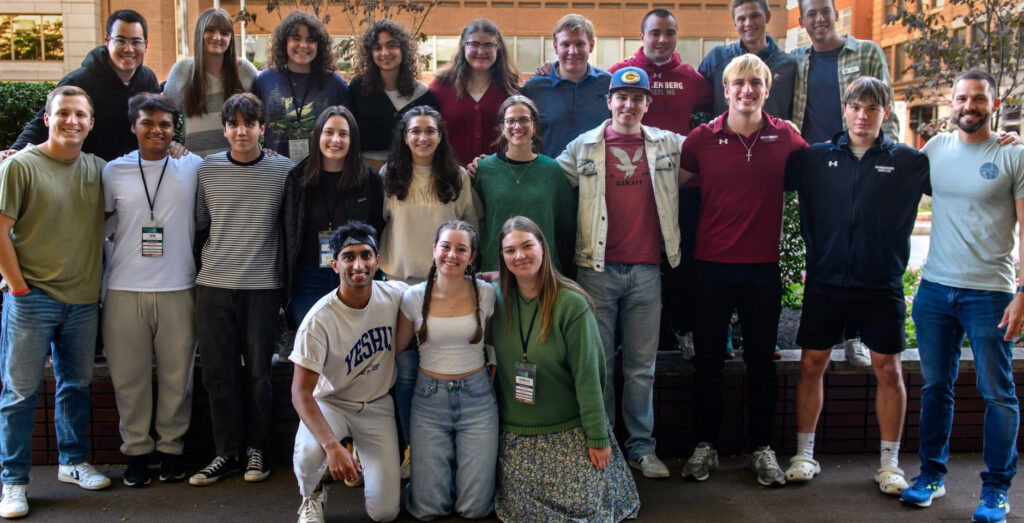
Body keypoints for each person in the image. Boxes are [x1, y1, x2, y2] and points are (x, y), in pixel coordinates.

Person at [782, 77, 929, 495]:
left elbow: (962, 174)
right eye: (856, 107)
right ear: (844, 110)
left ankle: (889, 464)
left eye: (872, 108)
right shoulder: (812, 159)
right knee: (811, 365)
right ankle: (804, 454)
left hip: (880, 285)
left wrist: (1004, 142)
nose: (863, 116)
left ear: (885, 113)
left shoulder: (909, 161)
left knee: (888, 369)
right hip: (826, 283)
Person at [900, 71, 1024, 523]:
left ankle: (996, 491)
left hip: (990, 293)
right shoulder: (934, 151)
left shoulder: (1014, 155)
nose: (968, 105)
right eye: (961, 98)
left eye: (978, 99)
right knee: (936, 387)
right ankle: (930, 476)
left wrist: (1023, 293)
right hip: (935, 290)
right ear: (950, 103)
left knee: (997, 392)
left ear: (993, 104)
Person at [677, 54, 807, 486]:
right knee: (708, 364)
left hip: (762, 270)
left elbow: (826, 171)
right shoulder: (699, 140)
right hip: (710, 267)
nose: (746, 90)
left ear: (767, 90)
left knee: (761, 366)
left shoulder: (786, 137)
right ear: (726, 89)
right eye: (739, 83)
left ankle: (763, 448)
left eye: (755, 83)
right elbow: (670, 188)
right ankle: (706, 445)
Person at [556, 66, 686, 479]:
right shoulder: (583, 147)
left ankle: (641, 448)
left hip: (647, 270)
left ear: (648, 103)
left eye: (637, 99)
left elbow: (716, 142)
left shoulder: (668, 145)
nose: (629, 105)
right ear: (609, 101)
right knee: (598, 366)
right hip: (596, 270)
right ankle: (604, 444)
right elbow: (543, 175)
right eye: (621, 98)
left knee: (640, 367)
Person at [0, 85, 111, 519]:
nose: (72, 121)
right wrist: (18, 287)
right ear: (47, 119)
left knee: (75, 386)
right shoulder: (21, 166)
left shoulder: (98, 169)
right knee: (19, 393)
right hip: (32, 298)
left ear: (91, 123)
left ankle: (73, 461)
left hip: (83, 300)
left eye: (80, 114)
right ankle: (13, 482)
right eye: (63, 113)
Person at [491, 215, 638, 521]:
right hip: (517, 436)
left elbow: (590, 377)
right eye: (510, 250)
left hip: (568, 431)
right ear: (502, 257)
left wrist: (597, 437)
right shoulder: (494, 300)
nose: (519, 256)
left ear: (543, 247)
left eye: (527, 246)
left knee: (585, 508)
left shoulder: (571, 304)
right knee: (522, 512)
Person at [189, 93, 293, 486]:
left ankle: (258, 452)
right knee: (218, 374)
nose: (241, 131)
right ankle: (226, 453)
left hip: (263, 288)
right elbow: (201, 224)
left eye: (249, 123)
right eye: (233, 124)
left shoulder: (283, 170)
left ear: (262, 129)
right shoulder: (207, 170)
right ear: (224, 130)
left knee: (259, 375)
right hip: (213, 286)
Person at [102, 93, 205, 488]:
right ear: (133, 126)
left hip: (179, 286)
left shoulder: (191, 166)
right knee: (129, 378)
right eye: (148, 122)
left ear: (174, 128)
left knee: (178, 377)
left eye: (165, 124)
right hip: (125, 288)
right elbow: (102, 221)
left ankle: (171, 451)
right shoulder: (113, 171)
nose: (156, 130)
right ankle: (138, 453)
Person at [378, 104, 478, 481]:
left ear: (441, 135)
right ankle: (411, 449)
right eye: (415, 130)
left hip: (444, 289)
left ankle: (447, 451)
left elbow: (471, 227)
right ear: (405, 136)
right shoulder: (390, 176)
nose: (422, 137)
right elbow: (382, 225)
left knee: (445, 371)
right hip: (399, 287)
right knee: (404, 375)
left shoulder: (456, 176)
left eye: (430, 130)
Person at [291, 222, 404, 523]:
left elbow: (436, 292)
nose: (358, 264)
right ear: (334, 263)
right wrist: (331, 446)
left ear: (378, 260)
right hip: (331, 403)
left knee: (384, 513)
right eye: (349, 256)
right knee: (309, 456)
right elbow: (300, 393)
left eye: (366, 255)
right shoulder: (319, 319)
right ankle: (311, 496)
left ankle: (360, 455)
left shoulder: (394, 295)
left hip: (377, 404)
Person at [395, 221, 497, 520]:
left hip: (477, 396)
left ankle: (459, 478)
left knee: (474, 509)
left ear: (472, 256)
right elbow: (396, 348)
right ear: (434, 250)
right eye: (446, 247)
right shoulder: (413, 297)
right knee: (428, 509)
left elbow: (492, 342)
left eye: (461, 249)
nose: (452, 255)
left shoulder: (486, 293)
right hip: (429, 399)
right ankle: (435, 478)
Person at [0, 10, 158, 162]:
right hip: (88, 176)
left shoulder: (148, 81)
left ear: (146, 45)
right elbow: (43, 122)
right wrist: (17, 150)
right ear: (108, 42)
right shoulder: (79, 82)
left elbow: (158, 121)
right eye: (120, 40)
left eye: (136, 41)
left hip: (130, 175)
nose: (128, 49)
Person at [284, 105, 385, 330]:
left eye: (343, 134)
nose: (335, 140)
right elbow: (288, 232)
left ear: (353, 139)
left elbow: (378, 227)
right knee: (313, 347)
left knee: (352, 347)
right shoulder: (298, 179)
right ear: (318, 135)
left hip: (355, 275)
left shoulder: (368, 179)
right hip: (309, 277)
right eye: (328, 132)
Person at [472, 95, 576, 273]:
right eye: (510, 121)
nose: (517, 126)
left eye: (524, 120)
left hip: (542, 272)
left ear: (534, 126)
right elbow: (475, 222)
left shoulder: (552, 170)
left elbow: (566, 228)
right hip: (495, 270)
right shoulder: (484, 169)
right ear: (502, 127)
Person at [792, 0, 898, 144]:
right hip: (811, 158)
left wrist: (889, 156)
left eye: (825, 11)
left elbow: (887, 112)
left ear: (835, 15)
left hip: (855, 157)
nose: (820, 19)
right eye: (812, 14)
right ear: (801, 21)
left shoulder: (867, 52)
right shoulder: (796, 59)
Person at [253, 11, 350, 162]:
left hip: (321, 172)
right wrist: (258, 149)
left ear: (320, 45)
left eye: (311, 40)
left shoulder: (335, 84)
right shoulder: (265, 80)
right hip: (275, 171)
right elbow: (251, 123)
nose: (303, 45)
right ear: (284, 41)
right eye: (296, 38)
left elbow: (350, 130)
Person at [163, 8, 259, 158]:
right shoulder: (181, 71)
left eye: (224, 33)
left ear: (231, 38)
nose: (217, 37)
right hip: (194, 167)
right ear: (199, 33)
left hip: (237, 166)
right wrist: (172, 142)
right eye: (210, 30)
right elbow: (163, 117)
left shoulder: (246, 71)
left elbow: (262, 118)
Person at [607, 9, 712, 135]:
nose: (663, 39)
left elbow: (713, 111)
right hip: (632, 152)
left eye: (670, 33)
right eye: (655, 34)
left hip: (678, 153)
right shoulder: (618, 73)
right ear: (642, 37)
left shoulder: (692, 77)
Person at [429, 19, 519, 165]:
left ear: (499, 48)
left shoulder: (512, 88)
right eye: (474, 44)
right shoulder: (440, 86)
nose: (481, 51)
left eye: (489, 45)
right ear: (463, 47)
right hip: (451, 177)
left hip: (500, 177)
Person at [349, 20, 437, 167]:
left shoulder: (422, 95)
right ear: (370, 53)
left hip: (408, 173)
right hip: (364, 173)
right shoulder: (358, 88)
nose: (384, 53)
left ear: (403, 49)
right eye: (377, 47)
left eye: (391, 45)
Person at [521, 14, 611, 158]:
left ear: (591, 46)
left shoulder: (608, 84)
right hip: (549, 176)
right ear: (556, 47)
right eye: (566, 44)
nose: (573, 51)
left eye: (580, 44)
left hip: (598, 176)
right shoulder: (534, 89)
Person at [698, 0, 795, 119]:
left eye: (755, 16)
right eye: (741, 18)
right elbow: (697, 103)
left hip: (774, 137)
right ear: (735, 23)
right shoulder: (716, 59)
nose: (748, 23)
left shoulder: (789, 65)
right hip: (726, 137)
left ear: (767, 16)